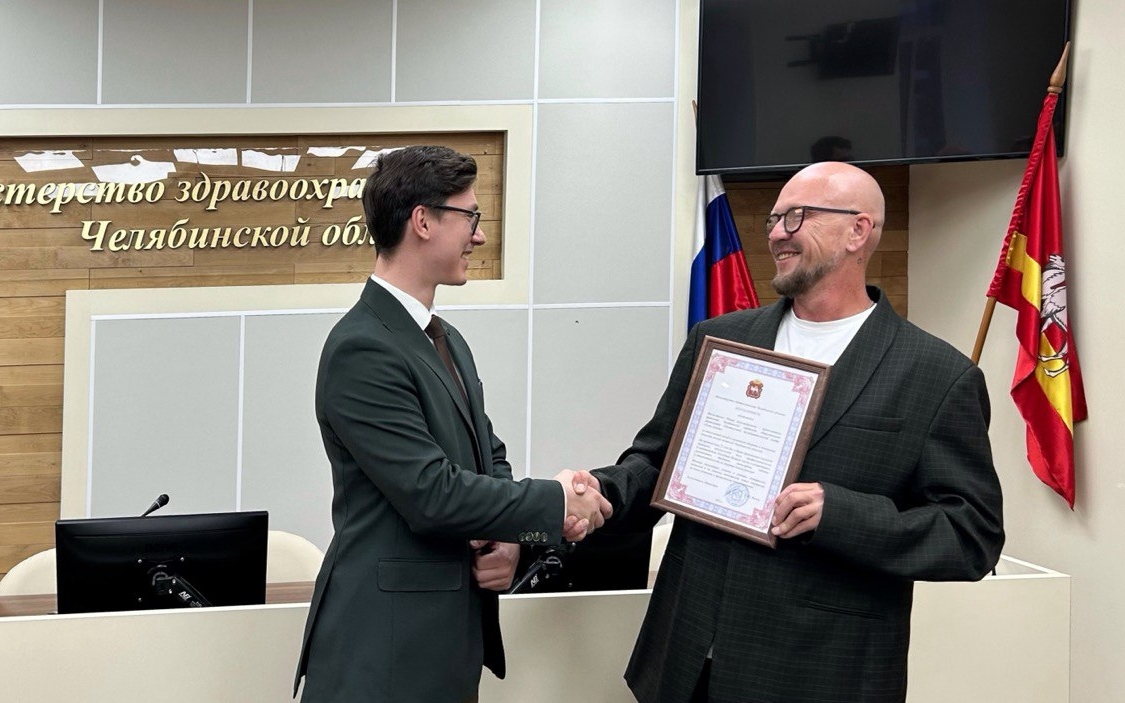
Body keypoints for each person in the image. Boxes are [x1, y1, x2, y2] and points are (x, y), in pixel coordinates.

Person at [579, 161, 1004, 702]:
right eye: (775, 219)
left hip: (820, 671)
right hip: (686, 662)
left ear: (858, 230)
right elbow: (657, 462)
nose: (778, 232)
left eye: (798, 216)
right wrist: (598, 493)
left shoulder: (937, 375)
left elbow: (971, 536)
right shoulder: (721, 340)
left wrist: (840, 513)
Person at [293, 145, 611, 703]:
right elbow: (432, 494)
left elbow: (490, 458)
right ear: (422, 221)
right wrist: (556, 504)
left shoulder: (445, 339)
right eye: (470, 216)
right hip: (384, 652)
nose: (479, 236)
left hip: (442, 648)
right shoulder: (361, 348)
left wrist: (513, 541)